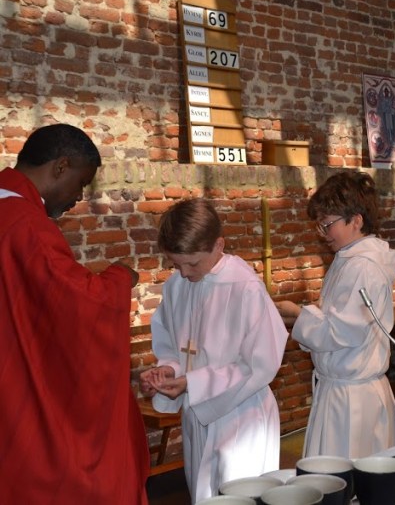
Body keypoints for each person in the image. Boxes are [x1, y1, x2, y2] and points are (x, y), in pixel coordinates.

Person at [0, 123, 149, 503]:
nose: (78, 197)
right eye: (81, 183)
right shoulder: (26, 225)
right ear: (60, 166)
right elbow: (79, 304)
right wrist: (119, 278)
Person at [139, 198, 288, 503]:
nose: (184, 273)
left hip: (241, 415)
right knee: (203, 495)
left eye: (192, 263)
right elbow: (172, 341)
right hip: (197, 413)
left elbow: (260, 364)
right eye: (176, 264)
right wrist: (169, 369)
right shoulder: (176, 286)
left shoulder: (245, 287)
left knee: (240, 497)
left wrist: (192, 383)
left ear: (219, 245)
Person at [275, 171, 395, 458]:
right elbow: (337, 319)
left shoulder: (362, 267)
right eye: (319, 225)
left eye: (327, 224)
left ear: (356, 221)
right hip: (341, 390)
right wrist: (300, 319)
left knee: (349, 472)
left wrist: (299, 315)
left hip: (353, 401)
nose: (322, 233)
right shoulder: (348, 258)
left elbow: (341, 332)